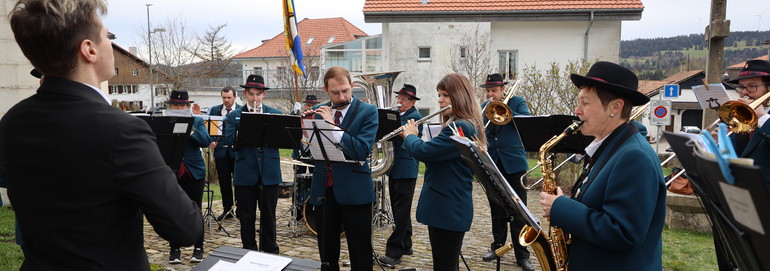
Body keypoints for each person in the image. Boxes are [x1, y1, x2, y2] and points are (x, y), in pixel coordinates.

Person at [0, 0, 203, 269]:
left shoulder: (11, 121)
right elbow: (185, 228)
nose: (110, 43)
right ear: (89, 50)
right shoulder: (124, 131)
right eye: (107, 36)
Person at [539, 61, 666, 270]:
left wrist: (561, 207)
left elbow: (624, 233)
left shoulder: (635, 157)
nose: (577, 110)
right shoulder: (612, 146)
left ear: (615, 107)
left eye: (585, 103)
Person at [400, 73, 485, 270]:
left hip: (447, 207)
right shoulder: (465, 124)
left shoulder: (459, 127)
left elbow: (423, 152)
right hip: (449, 206)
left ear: (460, 96)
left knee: (445, 266)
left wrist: (410, 136)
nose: (440, 100)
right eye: (439, 94)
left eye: (445, 95)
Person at [305, 66, 378, 271]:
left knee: (360, 251)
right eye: (335, 92)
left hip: (355, 190)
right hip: (324, 189)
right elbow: (309, 152)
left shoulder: (368, 111)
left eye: (345, 90)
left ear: (352, 86)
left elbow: (361, 150)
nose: (341, 96)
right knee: (327, 252)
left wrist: (331, 126)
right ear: (326, 90)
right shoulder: (319, 112)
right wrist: (303, 134)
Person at [478, 74, 534, 270]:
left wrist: (507, 109)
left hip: (514, 164)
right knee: (497, 208)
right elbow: (484, 130)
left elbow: (526, 122)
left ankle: (522, 255)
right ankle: (497, 247)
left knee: (519, 210)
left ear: (503, 89)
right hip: (494, 162)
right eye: (488, 91)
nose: (490, 94)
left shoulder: (517, 102)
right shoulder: (486, 107)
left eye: (494, 90)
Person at [224, 74, 283, 253]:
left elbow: (282, 142)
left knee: (269, 215)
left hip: (269, 172)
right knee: (246, 215)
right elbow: (230, 145)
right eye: (251, 94)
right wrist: (243, 131)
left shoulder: (275, 114)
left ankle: (270, 250)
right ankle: (248, 250)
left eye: (258, 94)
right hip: (245, 173)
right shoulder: (235, 115)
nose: (255, 98)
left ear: (264, 95)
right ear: (245, 94)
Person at [379, 84, 423, 266]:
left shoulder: (414, 116)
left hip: (406, 168)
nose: (399, 101)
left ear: (412, 101)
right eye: (399, 98)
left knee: (401, 210)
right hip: (395, 167)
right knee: (400, 208)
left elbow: (398, 133)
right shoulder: (401, 114)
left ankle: (395, 251)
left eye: (403, 99)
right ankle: (406, 244)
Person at [165, 90, 212, 263]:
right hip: (173, 171)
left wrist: (189, 127)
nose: (178, 108)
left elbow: (205, 141)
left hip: (194, 171)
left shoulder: (198, 121)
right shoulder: (165, 122)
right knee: (172, 210)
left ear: (188, 106)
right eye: (175, 105)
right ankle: (174, 249)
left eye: (182, 105)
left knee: (195, 209)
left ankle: (198, 248)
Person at [725, 59, 770, 187]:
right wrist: (721, 140)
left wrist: (762, 117)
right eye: (742, 87)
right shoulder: (743, 118)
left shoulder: (763, 117)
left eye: (751, 86)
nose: (744, 92)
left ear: (768, 88)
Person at [208, 85, 242, 221]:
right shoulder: (215, 110)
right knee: (224, 182)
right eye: (224, 97)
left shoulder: (241, 110)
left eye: (229, 97)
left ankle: (241, 210)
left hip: (236, 152)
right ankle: (227, 209)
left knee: (239, 182)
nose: (226, 100)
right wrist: (212, 141)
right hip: (221, 151)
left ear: (234, 97)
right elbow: (210, 130)